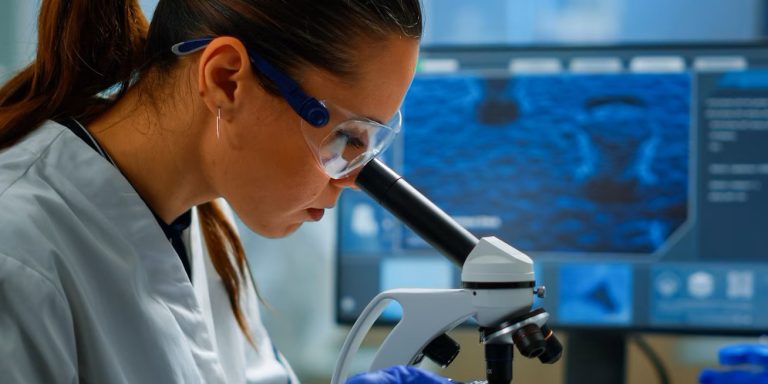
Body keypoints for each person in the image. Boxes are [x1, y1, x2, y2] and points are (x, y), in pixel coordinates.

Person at [0, 0, 453, 383]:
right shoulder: (19, 256)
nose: (352, 177)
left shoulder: (206, 219)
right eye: (346, 137)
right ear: (225, 79)